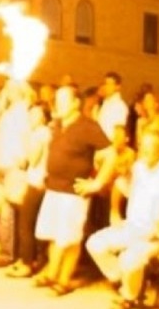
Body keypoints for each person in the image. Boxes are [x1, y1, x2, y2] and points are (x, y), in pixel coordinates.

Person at [86, 130, 159, 309]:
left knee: (129, 259)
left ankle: (129, 297)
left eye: (151, 147)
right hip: (133, 227)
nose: (145, 151)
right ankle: (121, 279)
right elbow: (119, 185)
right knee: (95, 244)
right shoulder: (138, 167)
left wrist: (158, 228)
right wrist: (115, 211)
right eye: (143, 147)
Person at [34, 85, 117, 295]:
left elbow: (111, 155)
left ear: (75, 103)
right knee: (55, 235)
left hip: (73, 192)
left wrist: (97, 183)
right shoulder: (57, 125)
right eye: (57, 100)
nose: (57, 104)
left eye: (63, 100)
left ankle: (63, 280)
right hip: (54, 188)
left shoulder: (88, 126)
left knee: (70, 238)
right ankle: (52, 273)